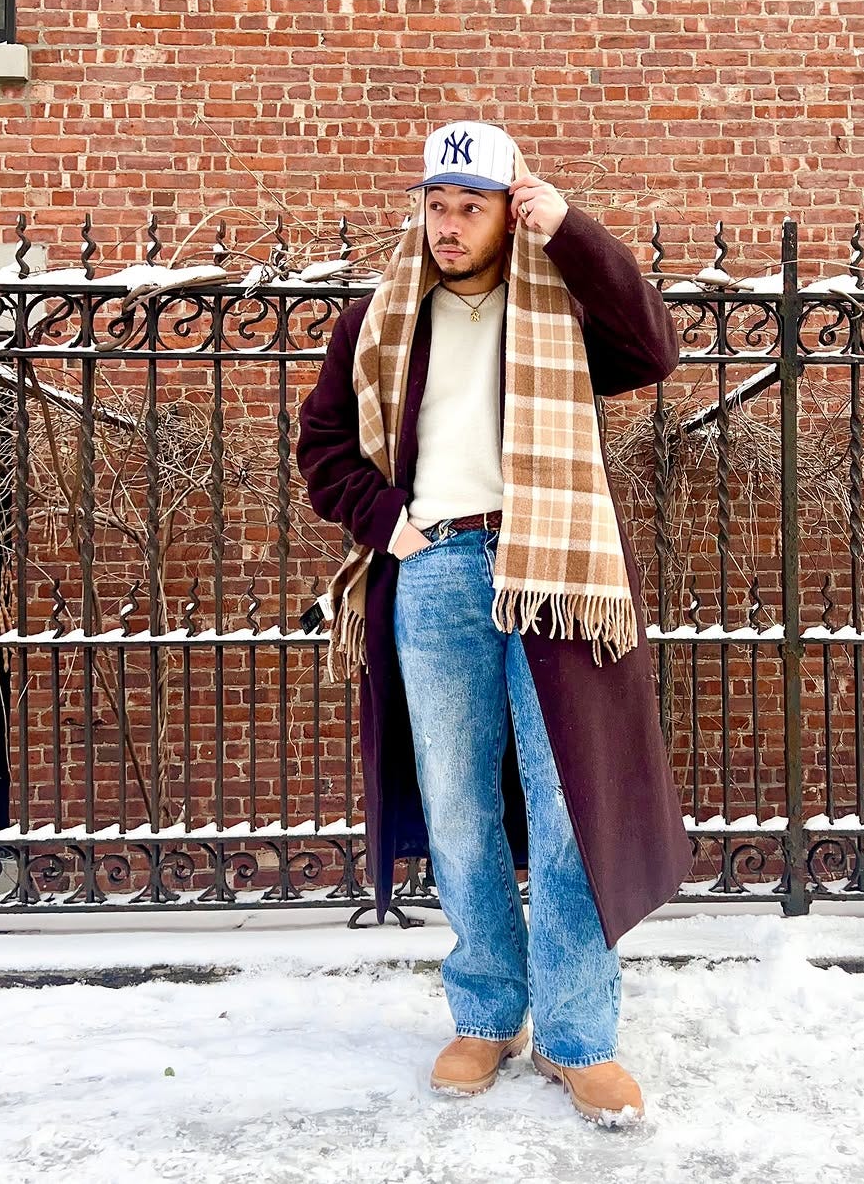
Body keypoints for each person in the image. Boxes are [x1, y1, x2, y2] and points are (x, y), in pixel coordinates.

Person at [296, 121, 691, 1127]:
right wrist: (392, 526)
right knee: (459, 802)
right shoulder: (379, 317)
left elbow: (654, 346)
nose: (448, 223)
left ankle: (577, 1034)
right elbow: (324, 447)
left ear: (506, 211)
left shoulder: (554, 303)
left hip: (552, 564)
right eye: (436, 203)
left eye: (471, 205)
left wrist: (569, 227)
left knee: (569, 805)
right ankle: (486, 1012)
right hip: (436, 571)